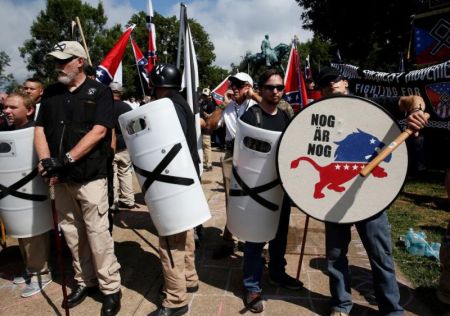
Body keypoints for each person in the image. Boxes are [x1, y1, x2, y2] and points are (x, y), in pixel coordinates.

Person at [317, 66, 425, 316]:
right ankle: (341, 304)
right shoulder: (320, 114)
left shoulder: (370, 104)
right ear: (321, 91)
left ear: (345, 83)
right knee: (335, 255)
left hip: (371, 195)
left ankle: (391, 310)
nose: (331, 84)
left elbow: (411, 99)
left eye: (335, 79)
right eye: (325, 82)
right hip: (337, 195)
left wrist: (416, 110)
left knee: (380, 255)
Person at [34, 41, 121, 316]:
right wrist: (47, 162)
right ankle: (85, 281)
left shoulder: (100, 91)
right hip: (61, 179)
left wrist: (66, 159)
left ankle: (110, 288)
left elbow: (99, 132)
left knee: (97, 235)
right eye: (56, 61)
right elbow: (39, 129)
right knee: (72, 234)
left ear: (80, 61)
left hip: (90, 177)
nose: (58, 65)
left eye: (64, 60)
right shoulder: (50, 94)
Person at [238, 69, 303, 313]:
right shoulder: (251, 117)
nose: (275, 92)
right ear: (261, 89)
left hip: (280, 187)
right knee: (255, 238)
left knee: (279, 235)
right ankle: (252, 285)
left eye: (279, 88)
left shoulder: (285, 116)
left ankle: (277, 273)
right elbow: (242, 157)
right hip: (257, 190)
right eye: (270, 87)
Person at [148, 64, 200, 316]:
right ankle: (189, 278)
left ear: (157, 87)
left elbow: (167, 146)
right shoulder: (179, 102)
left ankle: (175, 299)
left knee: (169, 243)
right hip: (184, 178)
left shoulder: (169, 108)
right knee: (185, 234)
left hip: (173, 181)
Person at [1, 91, 53, 298]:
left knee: (35, 233)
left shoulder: (35, 132)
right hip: (15, 195)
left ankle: (42, 272)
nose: (7, 111)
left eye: (13, 107)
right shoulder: (8, 130)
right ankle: (32, 267)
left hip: (34, 193)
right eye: (5, 107)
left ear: (29, 110)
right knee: (23, 233)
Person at [206, 73, 258, 258]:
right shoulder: (228, 107)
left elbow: (274, 109)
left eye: (240, 85)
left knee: (254, 199)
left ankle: (256, 242)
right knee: (232, 199)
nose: (235, 88)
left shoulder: (256, 105)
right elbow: (210, 125)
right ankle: (230, 240)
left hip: (253, 155)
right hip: (231, 154)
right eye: (233, 84)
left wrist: (253, 95)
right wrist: (223, 104)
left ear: (249, 87)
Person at [109, 82, 135, 210]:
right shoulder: (127, 107)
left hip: (110, 144)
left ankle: (114, 202)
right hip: (125, 144)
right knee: (125, 172)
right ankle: (128, 199)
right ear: (121, 93)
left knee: (112, 173)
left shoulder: (104, 107)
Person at [199, 87, 216, 171]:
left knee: (206, 145)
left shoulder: (211, 104)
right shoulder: (202, 103)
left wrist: (204, 114)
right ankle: (205, 162)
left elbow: (213, 116)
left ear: (209, 96)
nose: (204, 97)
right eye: (203, 95)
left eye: (206, 95)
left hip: (207, 128)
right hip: (201, 127)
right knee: (202, 146)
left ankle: (209, 164)